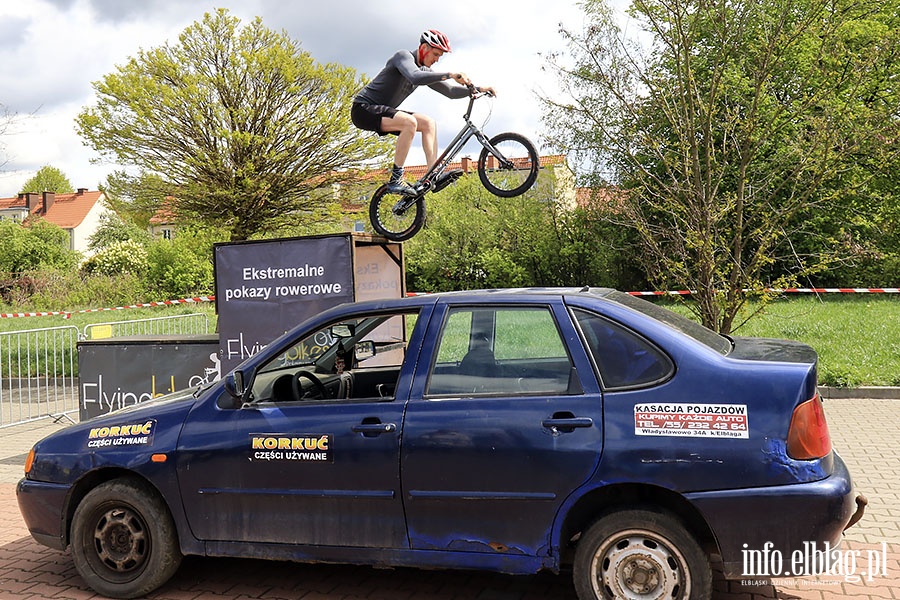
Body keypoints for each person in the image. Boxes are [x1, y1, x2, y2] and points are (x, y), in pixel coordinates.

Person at [351, 29, 495, 195]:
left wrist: (477, 89)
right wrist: (450, 74)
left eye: (439, 56)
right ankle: (396, 179)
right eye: (435, 54)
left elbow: (450, 92)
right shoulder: (403, 57)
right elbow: (414, 77)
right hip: (363, 109)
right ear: (424, 48)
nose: (436, 60)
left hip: (383, 112)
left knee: (428, 123)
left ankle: (433, 174)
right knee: (409, 122)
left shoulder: (424, 72)